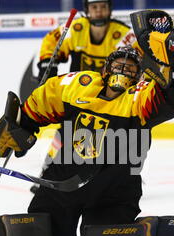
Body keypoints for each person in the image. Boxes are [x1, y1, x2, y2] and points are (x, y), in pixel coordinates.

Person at [0, 10, 174, 236]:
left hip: (115, 188)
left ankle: (149, 235)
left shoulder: (139, 99)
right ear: (105, 69)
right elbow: (43, 99)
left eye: (130, 68)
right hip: (62, 181)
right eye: (117, 65)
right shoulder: (79, 84)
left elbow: (169, 101)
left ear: (138, 77)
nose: (123, 70)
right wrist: (21, 125)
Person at [30, 0, 140, 193]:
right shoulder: (76, 28)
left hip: (112, 98)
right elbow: (51, 41)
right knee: (64, 133)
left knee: (119, 137)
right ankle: (47, 173)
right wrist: (48, 64)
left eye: (103, 7)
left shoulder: (123, 34)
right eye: (94, 7)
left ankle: (122, 178)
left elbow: (139, 60)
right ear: (87, 10)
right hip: (79, 96)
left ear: (110, 9)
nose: (99, 11)